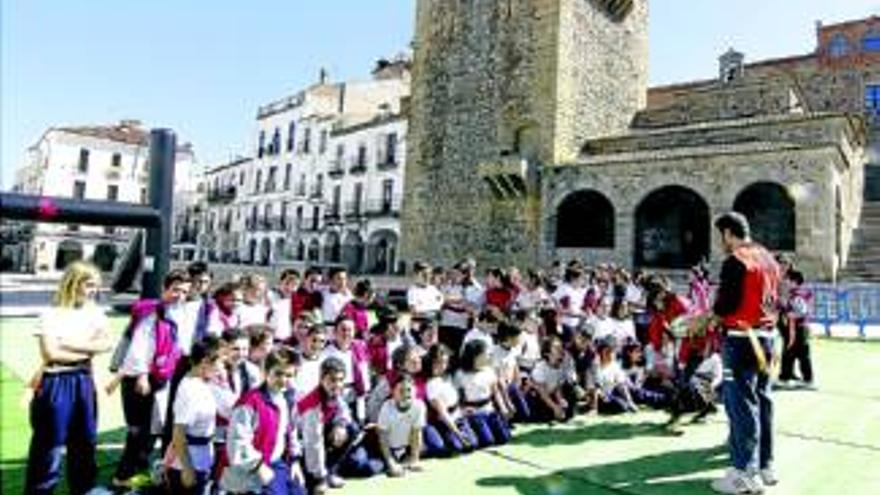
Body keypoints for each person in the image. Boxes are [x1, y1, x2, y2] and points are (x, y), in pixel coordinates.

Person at [25, 261, 112, 495]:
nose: (93, 290)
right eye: (89, 284)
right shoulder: (51, 314)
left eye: (96, 285)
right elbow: (51, 353)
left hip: (84, 380)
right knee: (49, 446)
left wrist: (70, 343)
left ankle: (83, 490)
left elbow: (106, 343)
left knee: (84, 442)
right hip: (56, 381)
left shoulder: (96, 313)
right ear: (74, 283)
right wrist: (89, 348)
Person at [711, 212, 781, 494]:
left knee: (741, 406)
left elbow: (726, 306)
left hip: (741, 339)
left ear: (728, 233)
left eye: (721, 236)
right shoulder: (769, 258)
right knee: (763, 401)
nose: (721, 242)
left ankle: (743, 473)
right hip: (767, 338)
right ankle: (765, 465)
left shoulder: (736, 260)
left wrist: (707, 318)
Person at [113, 269, 189, 489]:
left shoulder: (175, 313)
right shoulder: (151, 312)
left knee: (152, 428)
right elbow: (139, 346)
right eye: (175, 290)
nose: (179, 295)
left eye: (184, 292)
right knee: (137, 429)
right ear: (165, 288)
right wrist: (142, 376)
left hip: (160, 378)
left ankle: (137, 468)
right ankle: (123, 475)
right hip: (140, 378)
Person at [223, 347, 306, 495]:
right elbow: (237, 442)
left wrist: (294, 461)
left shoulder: (288, 399)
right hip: (249, 469)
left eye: (289, 375)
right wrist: (259, 466)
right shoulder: (249, 402)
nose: (283, 380)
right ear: (266, 372)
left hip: (277, 464)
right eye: (278, 374)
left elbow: (291, 432)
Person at [165, 336, 223, 495]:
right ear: (205, 362)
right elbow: (178, 433)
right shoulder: (189, 390)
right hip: (189, 464)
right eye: (220, 362)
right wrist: (187, 469)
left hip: (202, 460)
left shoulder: (203, 382)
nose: (221, 367)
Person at [423, 345, 478, 457]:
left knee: (473, 443)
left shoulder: (447, 377)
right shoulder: (431, 384)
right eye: (439, 362)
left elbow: (454, 400)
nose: (443, 366)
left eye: (445, 362)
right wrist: (457, 433)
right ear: (431, 362)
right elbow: (443, 413)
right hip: (446, 424)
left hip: (458, 418)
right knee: (457, 447)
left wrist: (462, 410)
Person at [456, 340, 512, 447]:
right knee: (488, 441)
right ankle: (470, 428)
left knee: (505, 437)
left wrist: (503, 407)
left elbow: (495, 392)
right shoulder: (461, 374)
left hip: (488, 409)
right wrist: (462, 410)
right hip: (473, 412)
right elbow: (457, 397)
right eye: (486, 354)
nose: (489, 356)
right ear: (476, 356)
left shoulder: (489, 371)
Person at [375, 375, 427, 477]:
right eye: (401, 390)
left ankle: (407, 460)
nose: (405, 394)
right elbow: (383, 439)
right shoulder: (386, 407)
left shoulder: (419, 406)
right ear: (393, 392)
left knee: (426, 447)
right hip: (387, 449)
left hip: (405, 448)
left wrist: (415, 460)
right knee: (372, 468)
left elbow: (416, 433)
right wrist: (391, 463)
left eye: (408, 390)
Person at [778, 269, 815, 390]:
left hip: (797, 328)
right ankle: (804, 379)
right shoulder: (802, 293)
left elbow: (801, 311)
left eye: (787, 280)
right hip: (801, 327)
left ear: (794, 281)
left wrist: (787, 312)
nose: (785, 282)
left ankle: (789, 378)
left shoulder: (797, 294)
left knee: (794, 353)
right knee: (798, 354)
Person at [269, 269, 300, 344]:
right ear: (280, 282)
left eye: (294, 285)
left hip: (288, 340)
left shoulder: (296, 300)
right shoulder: (269, 296)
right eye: (287, 283)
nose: (289, 288)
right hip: (271, 340)